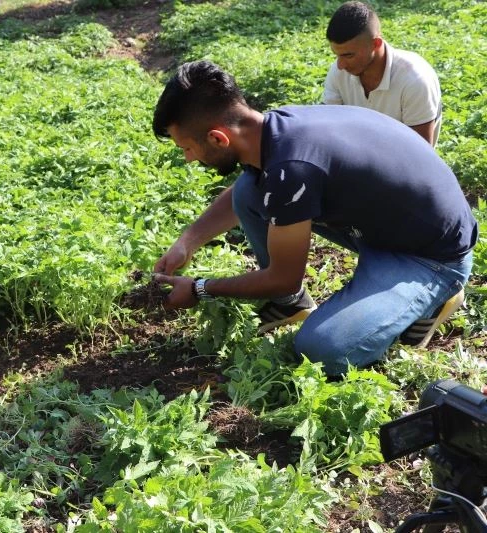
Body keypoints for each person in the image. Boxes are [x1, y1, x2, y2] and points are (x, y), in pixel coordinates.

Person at [152, 61, 476, 376]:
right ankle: (290, 305)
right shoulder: (276, 128)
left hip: (430, 256)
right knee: (249, 190)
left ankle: (434, 297)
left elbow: (283, 276)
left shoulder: (291, 169)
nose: (189, 158)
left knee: (322, 350)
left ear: (218, 138)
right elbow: (253, 190)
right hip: (391, 223)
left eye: (187, 148)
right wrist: (187, 241)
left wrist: (199, 288)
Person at [322, 1, 442, 146]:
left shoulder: (415, 80)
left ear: (376, 44)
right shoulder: (339, 71)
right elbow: (328, 129)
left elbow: (421, 153)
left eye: (349, 56)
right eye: (337, 55)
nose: (340, 65)